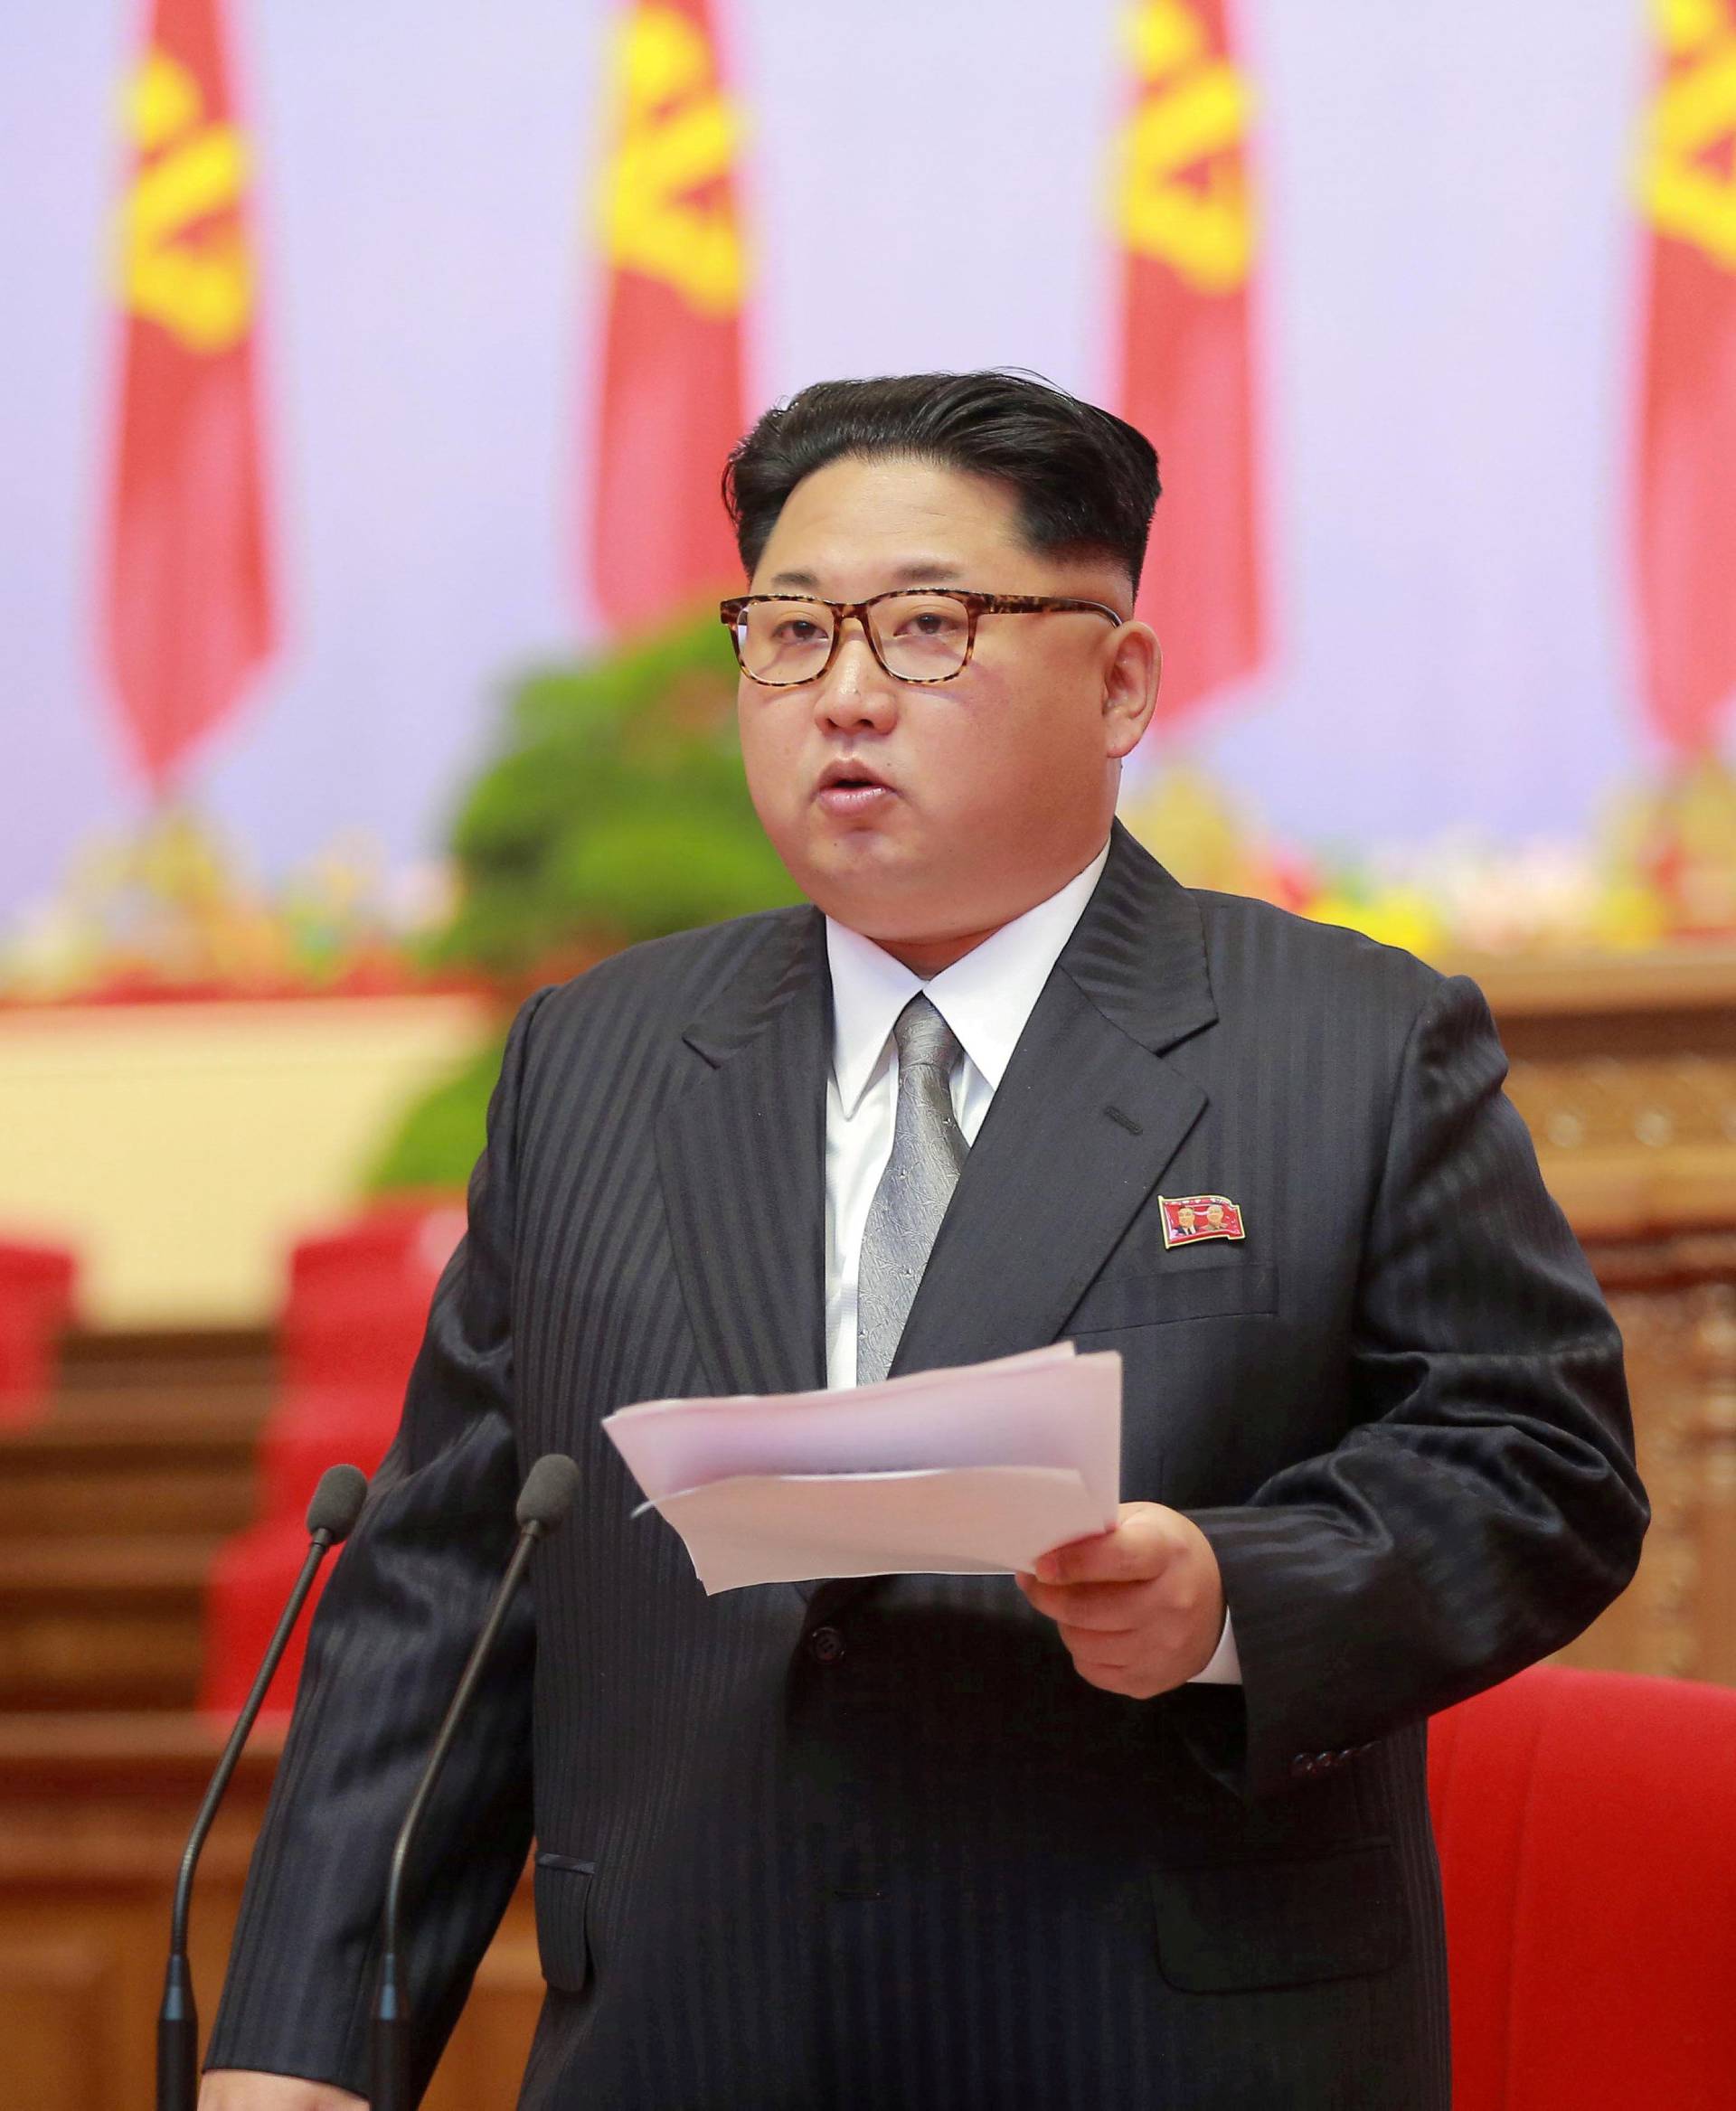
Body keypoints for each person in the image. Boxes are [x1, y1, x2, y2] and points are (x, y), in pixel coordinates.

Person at [200, 371, 1646, 2110]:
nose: (847, 699)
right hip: (688, 2037)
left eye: (928, 629)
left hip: (1158, 2044)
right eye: (791, 635)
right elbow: (441, 1596)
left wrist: (1225, 1597)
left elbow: (1540, 1466)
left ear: (1119, 683)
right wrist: (295, 2060)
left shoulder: (1342, 1042)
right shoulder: (598, 1060)